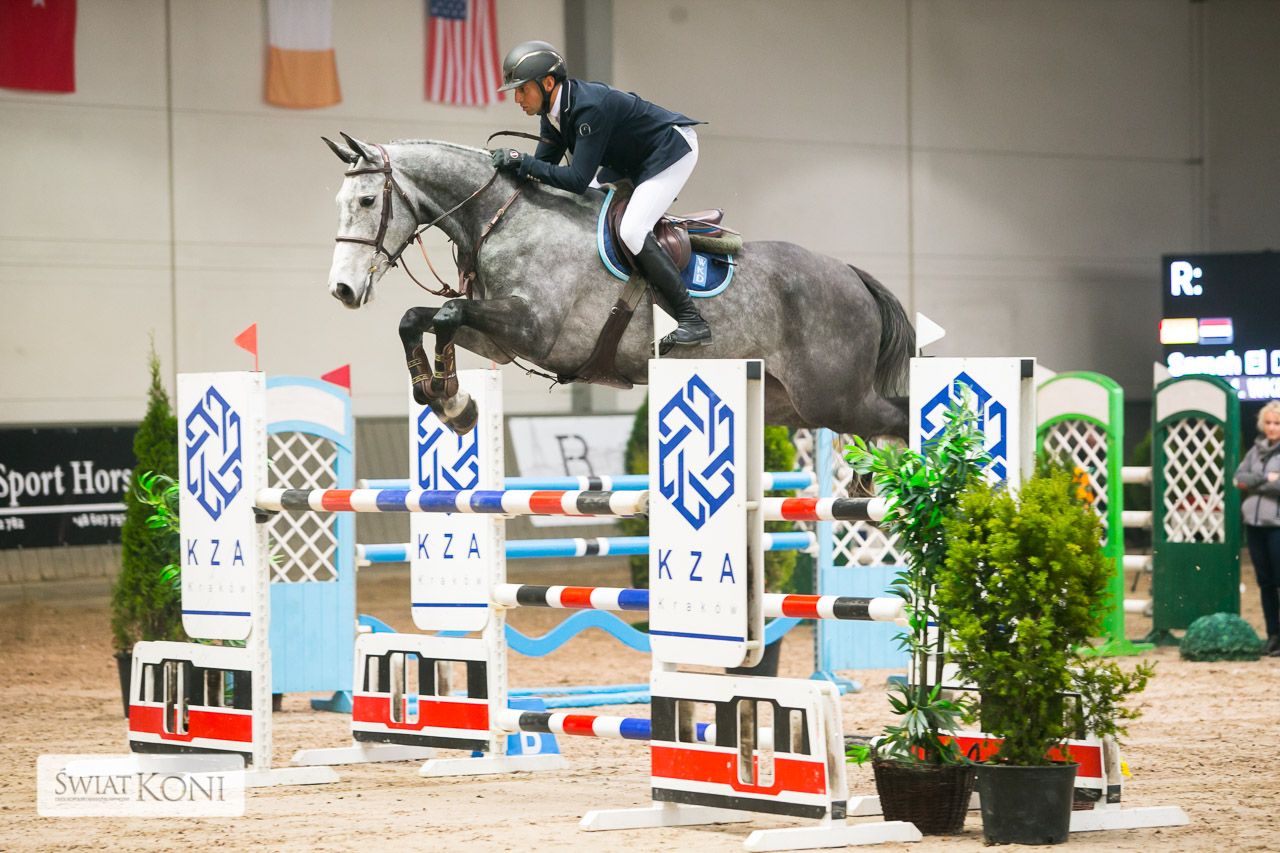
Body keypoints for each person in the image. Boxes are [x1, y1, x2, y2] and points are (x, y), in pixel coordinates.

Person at [490, 40, 711, 353]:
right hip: (630, 160)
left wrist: (522, 161)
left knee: (632, 230)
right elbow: (542, 172)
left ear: (548, 83)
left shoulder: (589, 108)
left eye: (522, 89)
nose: (517, 99)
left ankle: (691, 318)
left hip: (670, 149)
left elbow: (577, 180)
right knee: (586, 209)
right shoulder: (552, 114)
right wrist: (511, 170)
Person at [1234, 400, 1280, 655]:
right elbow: (1239, 478)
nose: (1272, 427)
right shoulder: (1255, 450)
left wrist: (1255, 483)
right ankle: (1273, 634)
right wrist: (1266, 479)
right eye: (1269, 422)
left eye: (1277, 423)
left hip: (1277, 526)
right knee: (1265, 582)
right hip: (1254, 525)